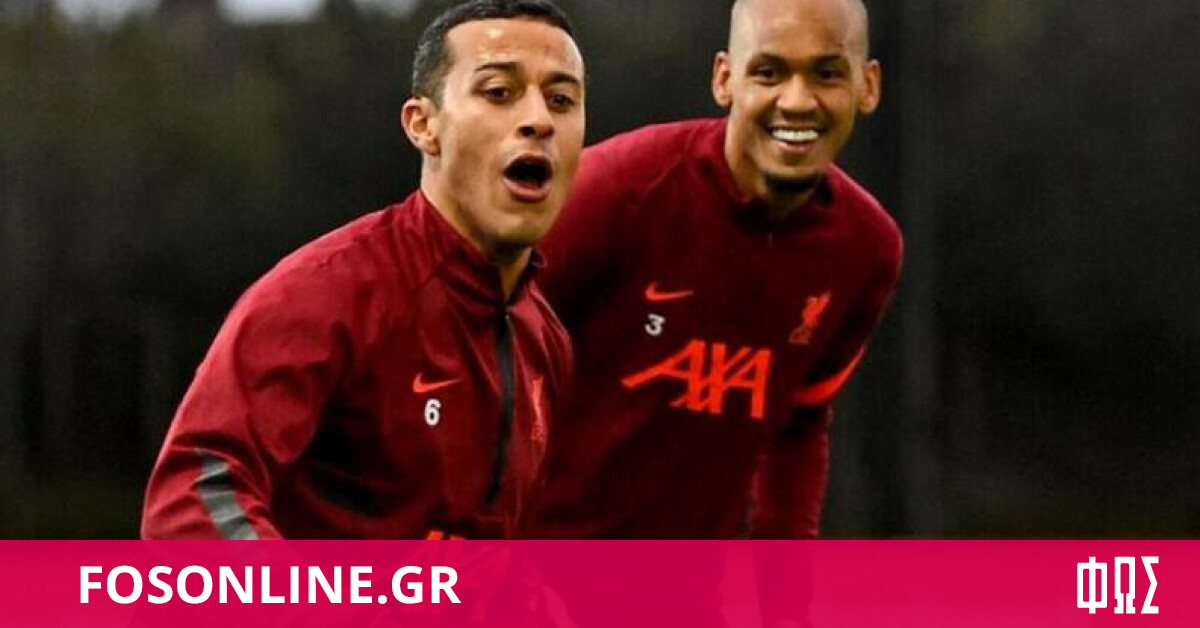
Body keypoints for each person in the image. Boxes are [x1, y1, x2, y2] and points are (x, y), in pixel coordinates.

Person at [141, 0, 585, 540]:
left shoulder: (546, 341)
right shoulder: (322, 296)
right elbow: (193, 495)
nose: (539, 119)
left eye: (561, 100)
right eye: (498, 92)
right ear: (423, 125)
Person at [527, 0, 901, 540]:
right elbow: (474, 349)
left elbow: (798, 424)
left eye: (827, 74)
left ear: (868, 86)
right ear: (725, 79)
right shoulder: (614, 190)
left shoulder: (866, 249)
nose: (798, 101)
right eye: (768, 72)